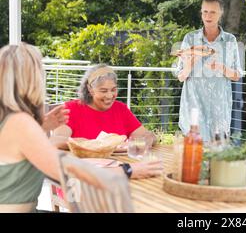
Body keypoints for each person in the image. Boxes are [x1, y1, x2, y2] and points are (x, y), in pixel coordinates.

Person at [0, 43, 162, 212]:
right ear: (31, 80)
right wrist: (127, 170)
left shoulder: (11, 119)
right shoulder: (20, 123)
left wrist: (39, 127)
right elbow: (69, 170)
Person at [175, 0, 243, 142]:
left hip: (219, 110)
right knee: (195, 156)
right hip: (193, 108)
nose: (208, 16)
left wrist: (219, 66)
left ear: (221, 14)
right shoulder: (190, 39)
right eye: (205, 12)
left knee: (217, 156)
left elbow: (236, 75)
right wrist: (190, 64)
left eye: (212, 12)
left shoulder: (230, 40)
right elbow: (180, 76)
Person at [51, 64, 157, 149]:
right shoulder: (71, 109)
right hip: (85, 169)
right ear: (90, 89)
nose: (110, 96)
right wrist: (92, 144)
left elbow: (148, 136)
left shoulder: (121, 109)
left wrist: (148, 140)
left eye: (113, 90)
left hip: (121, 167)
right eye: (103, 91)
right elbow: (57, 140)